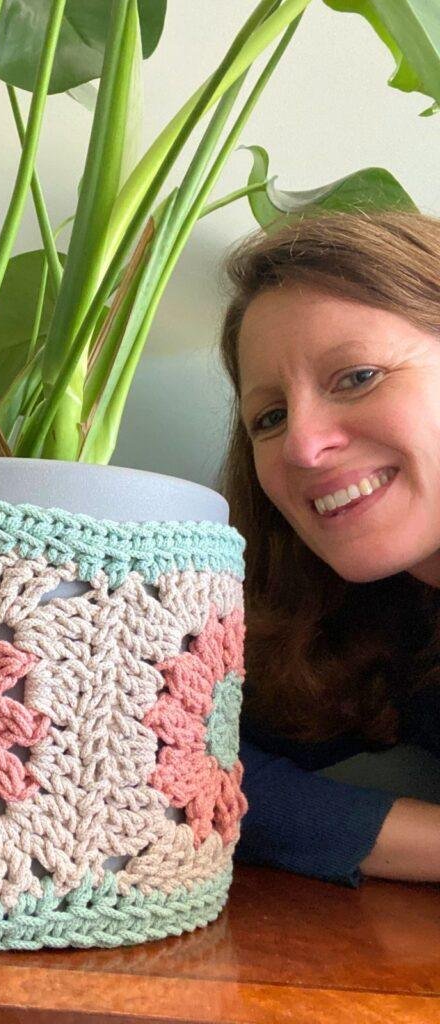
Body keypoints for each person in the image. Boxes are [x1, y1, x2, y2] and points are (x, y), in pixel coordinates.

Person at [216, 209, 440, 887]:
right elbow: (188, 761)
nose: (303, 447)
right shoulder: (376, 615)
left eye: (357, 377)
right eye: (271, 416)